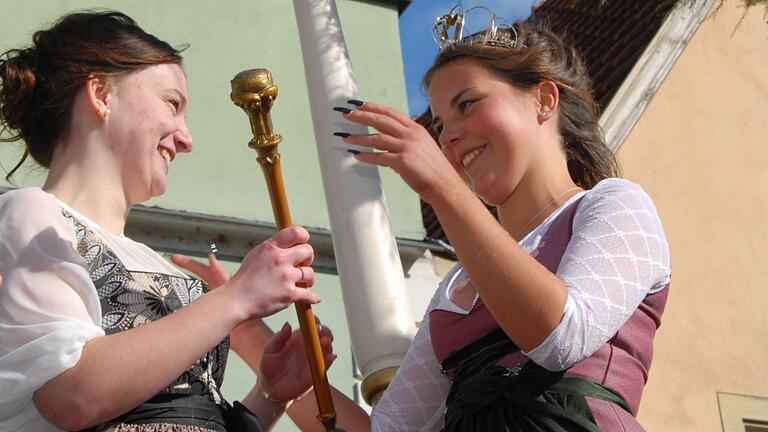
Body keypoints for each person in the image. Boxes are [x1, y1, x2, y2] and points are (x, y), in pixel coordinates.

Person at [330, 17, 672, 432]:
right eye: (439, 126)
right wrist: (268, 357)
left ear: (544, 100)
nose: (448, 137)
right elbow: (390, 430)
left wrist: (442, 187)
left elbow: (562, 335)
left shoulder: (614, 204)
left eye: (467, 104)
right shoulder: (454, 288)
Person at [0, 11, 334, 432]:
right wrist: (237, 296)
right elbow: (71, 396)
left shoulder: (152, 261)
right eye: (172, 104)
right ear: (101, 94)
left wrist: (270, 395)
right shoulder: (33, 213)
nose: (186, 138)